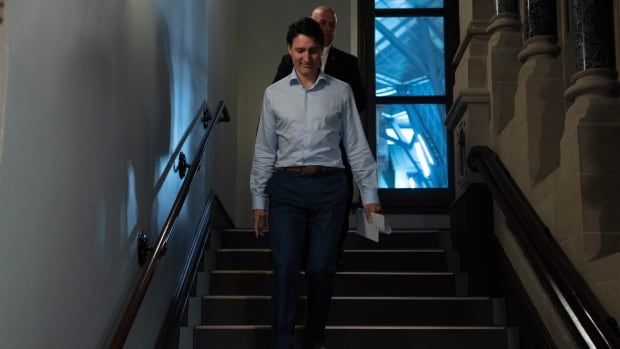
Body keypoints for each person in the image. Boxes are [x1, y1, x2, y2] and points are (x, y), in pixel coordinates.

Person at [251, 17, 380, 349]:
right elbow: (265, 149)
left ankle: (314, 335)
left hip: (330, 188)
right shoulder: (274, 95)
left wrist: (369, 195)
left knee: (322, 267)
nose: (306, 58)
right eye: (299, 51)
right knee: (285, 266)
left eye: (312, 51)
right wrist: (258, 201)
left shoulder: (341, 91)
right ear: (289, 51)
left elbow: (356, 145)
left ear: (322, 51)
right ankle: (282, 340)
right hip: (286, 188)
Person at [273, 5, 367, 268]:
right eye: (320, 23)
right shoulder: (287, 62)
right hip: (295, 158)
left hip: (335, 152)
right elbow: (276, 103)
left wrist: (330, 95)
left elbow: (359, 102)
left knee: (336, 210)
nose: (326, 28)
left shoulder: (348, 63)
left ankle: (329, 258)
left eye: (330, 25)